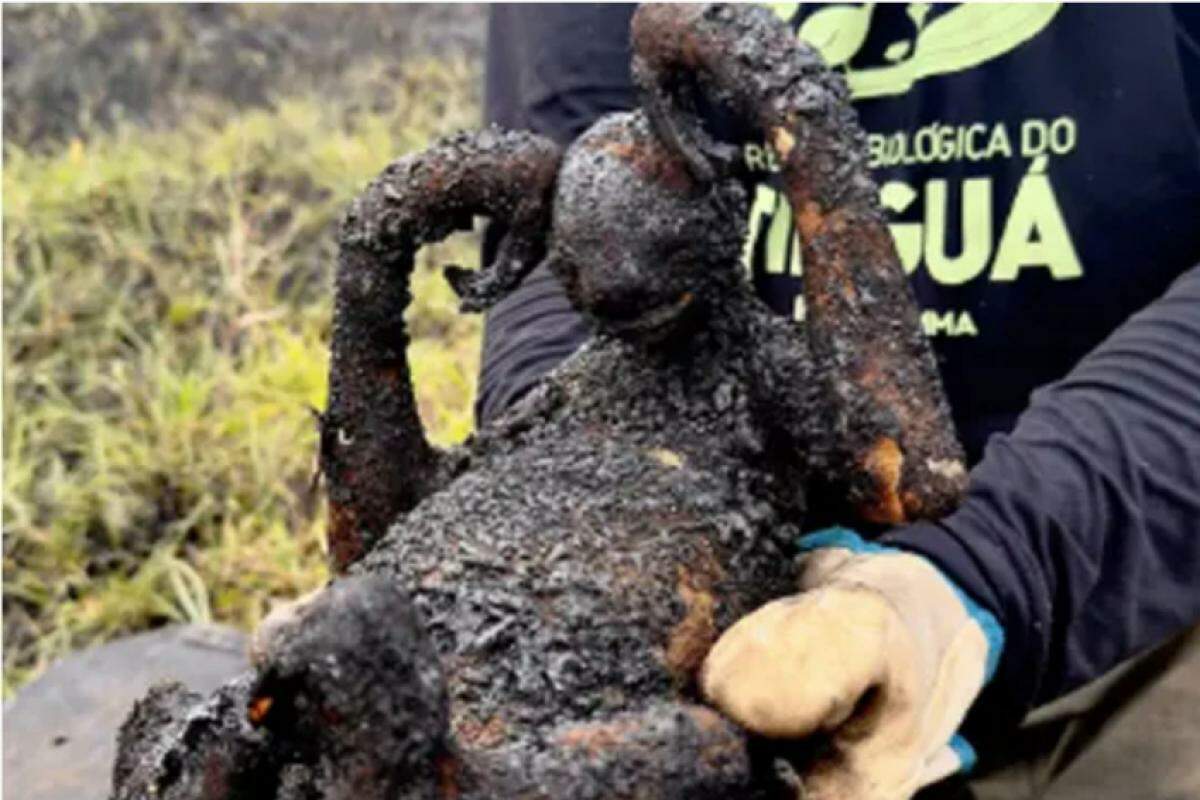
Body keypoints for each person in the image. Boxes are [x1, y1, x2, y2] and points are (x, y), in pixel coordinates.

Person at [479, 5, 1200, 799]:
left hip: (1136, 568)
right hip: (727, 614)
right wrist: (603, 543)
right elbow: (563, 237)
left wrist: (979, 573)